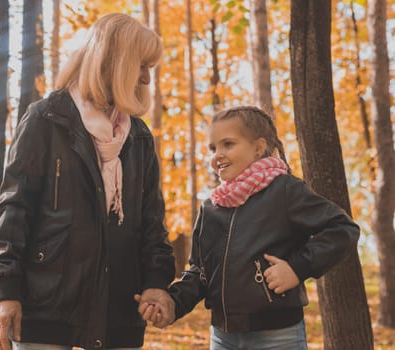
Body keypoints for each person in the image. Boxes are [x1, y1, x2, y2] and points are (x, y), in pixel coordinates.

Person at [0, 13, 176, 350]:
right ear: (116, 63)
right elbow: (14, 210)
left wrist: (156, 283)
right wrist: (6, 291)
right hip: (46, 307)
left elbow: (151, 223)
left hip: (119, 312)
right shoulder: (45, 119)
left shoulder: (140, 138)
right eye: (142, 66)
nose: (147, 79)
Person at [139, 106, 360, 349]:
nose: (217, 155)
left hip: (278, 336)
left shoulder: (284, 190)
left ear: (258, 148)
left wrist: (297, 268)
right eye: (213, 148)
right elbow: (199, 272)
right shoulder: (211, 208)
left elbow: (343, 229)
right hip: (223, 338)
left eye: (228, 144)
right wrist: (173, 303)